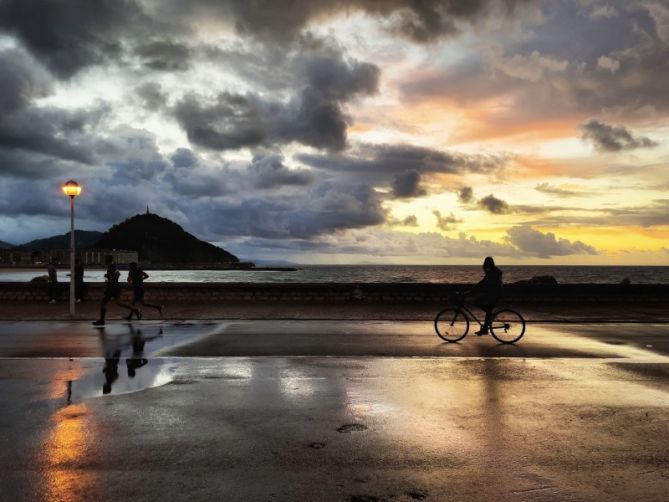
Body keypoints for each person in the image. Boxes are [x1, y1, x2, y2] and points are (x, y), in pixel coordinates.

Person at [468, 256, 503, 335]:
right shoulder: (493, 271)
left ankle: (486, 325)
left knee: (478, 302)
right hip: (493, 293)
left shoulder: (493, 273)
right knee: (486, 308)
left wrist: (472, 290)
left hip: (495, 294)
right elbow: (484, 282)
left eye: (486, 264)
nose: (485, 266)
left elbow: (483, 283)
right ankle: (486, 327)